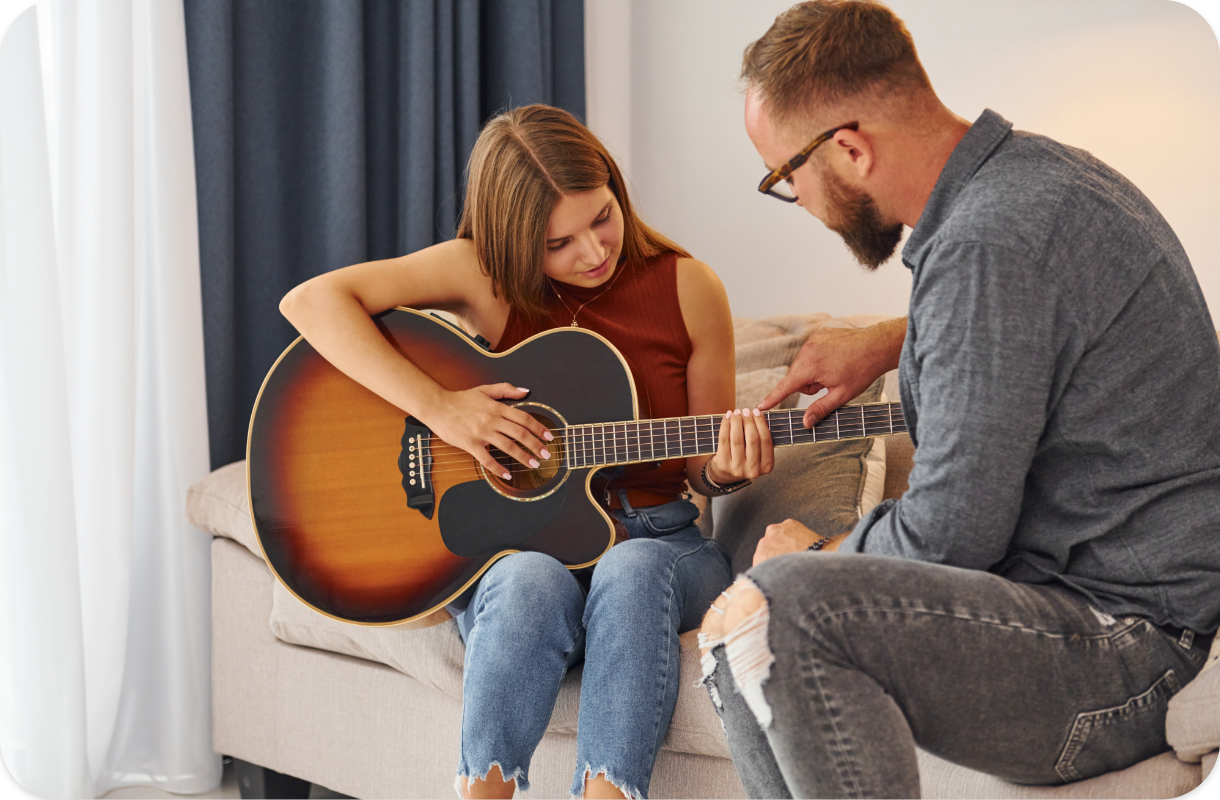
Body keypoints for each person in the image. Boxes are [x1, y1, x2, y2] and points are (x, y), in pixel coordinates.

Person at [698, 2, 1220, 798]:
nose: (796, 199)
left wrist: (818, 553)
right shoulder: (1030, 183)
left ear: (849, 148)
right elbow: (1020, 321)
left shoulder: (989, 243)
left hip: (1131, 648)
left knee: (781, 606)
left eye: (785, 177)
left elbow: (950, 537)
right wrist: (893, 338)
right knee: (737, 628)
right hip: (1113, 615)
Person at [279, 104, 773, 800]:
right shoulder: (481, 276)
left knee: (631, 568)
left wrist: (724, 467)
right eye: (558, 244)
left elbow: (701, 465)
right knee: (527, 580)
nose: (595, 252)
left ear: (616, 188)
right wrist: (443, 408)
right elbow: (312, 302)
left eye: (603, 218)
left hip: (660, 544)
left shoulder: (690, 287)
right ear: (513, 243)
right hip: (521, 545)